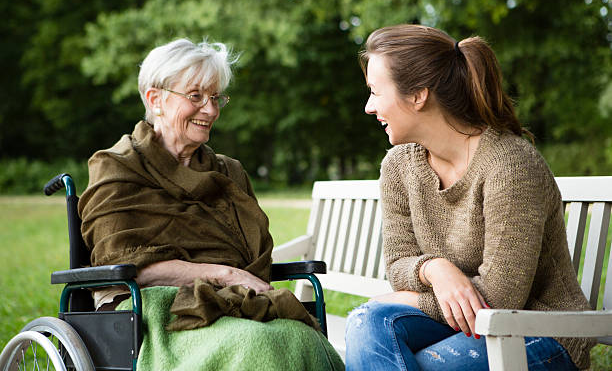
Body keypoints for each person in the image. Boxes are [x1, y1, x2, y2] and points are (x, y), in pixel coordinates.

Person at [78, 38, 343, 370]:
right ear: (155, 99)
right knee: (255, 345)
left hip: (234, 304)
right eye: (196, 96)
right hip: (150, 310)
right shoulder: (117, 166)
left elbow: (254, 257)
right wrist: (222, 274)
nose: (211, 110)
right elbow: (125, 264)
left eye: (216, 98)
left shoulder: (228, 172)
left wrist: (230, 283)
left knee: (302, 337)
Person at [344, 24, 595, 370]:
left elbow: (500, 300)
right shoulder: (398, 166)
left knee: (425, 363)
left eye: (375, 91)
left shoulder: (509, 165)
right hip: (461, 324)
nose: (369, 107)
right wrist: (436, 269)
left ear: (418, 95)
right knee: (367, 322)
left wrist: (405, 299)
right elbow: (398, 264)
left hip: (538, 330)